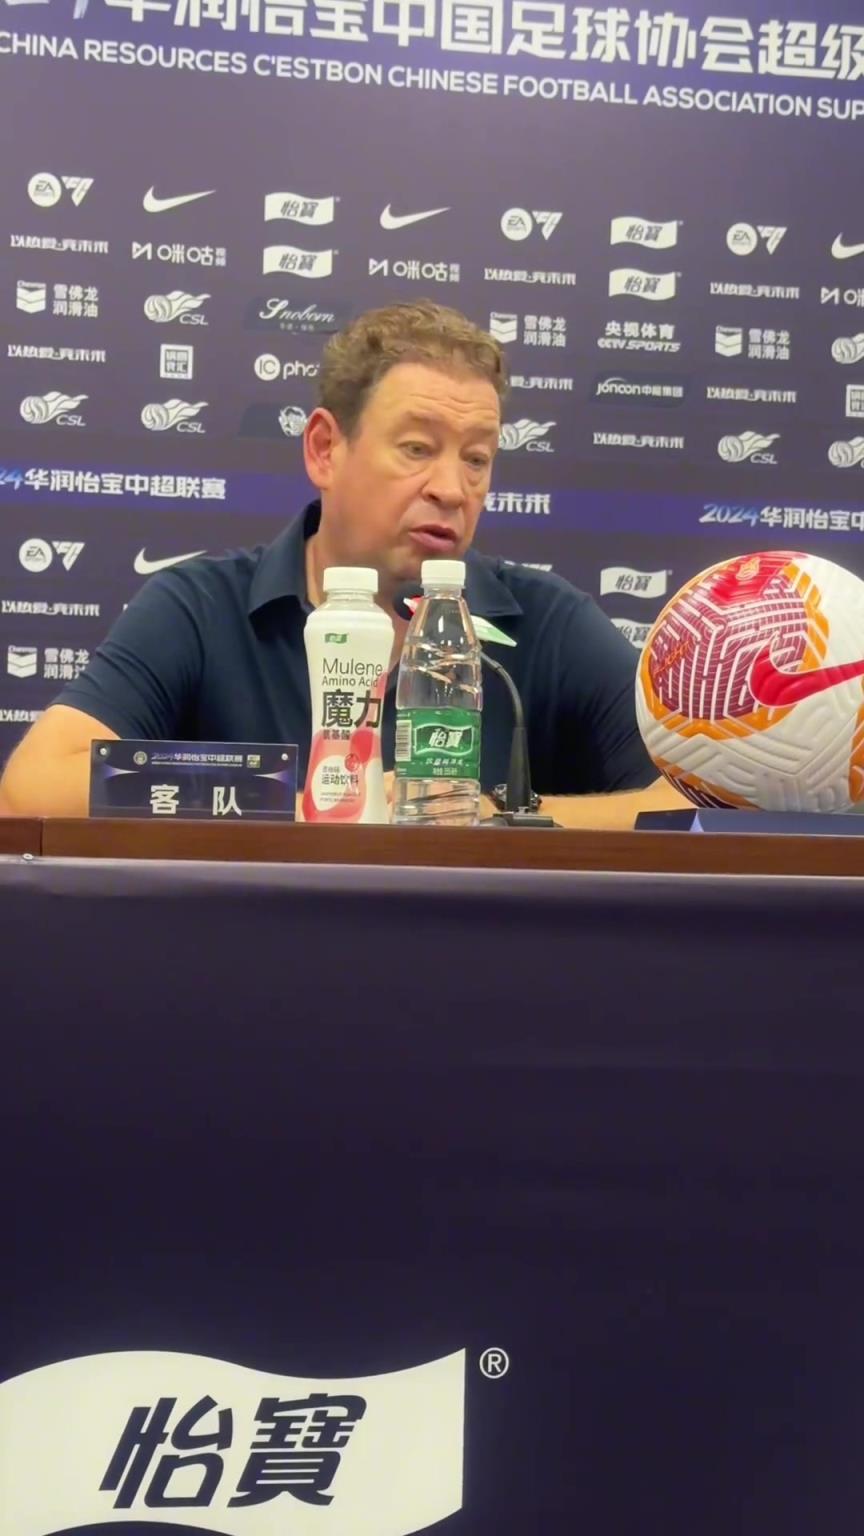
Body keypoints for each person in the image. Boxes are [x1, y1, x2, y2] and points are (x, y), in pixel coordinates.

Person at [0, 300, 685, 825]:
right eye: (417, 449)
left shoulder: (546, 622)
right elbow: (32, 787)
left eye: (477, 458)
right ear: (326, 449)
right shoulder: (201, 608)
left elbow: (689, 803)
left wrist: (497, 817)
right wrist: (297, 801)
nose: (452, 489)